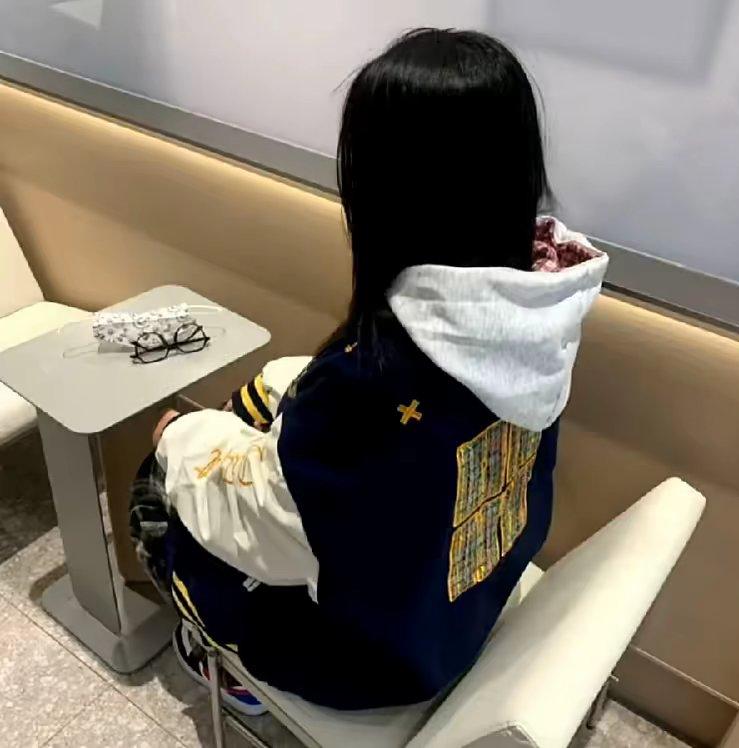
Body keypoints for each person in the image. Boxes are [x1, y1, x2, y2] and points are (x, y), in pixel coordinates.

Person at [131, 27, 608, 714]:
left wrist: (178, 439)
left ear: (388, 191)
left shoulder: (369, 382)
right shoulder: (539, 308)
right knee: (268, 392)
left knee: (157, 494)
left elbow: (267, 534)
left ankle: (236, 674)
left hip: (370, 661)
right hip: (465, 602)